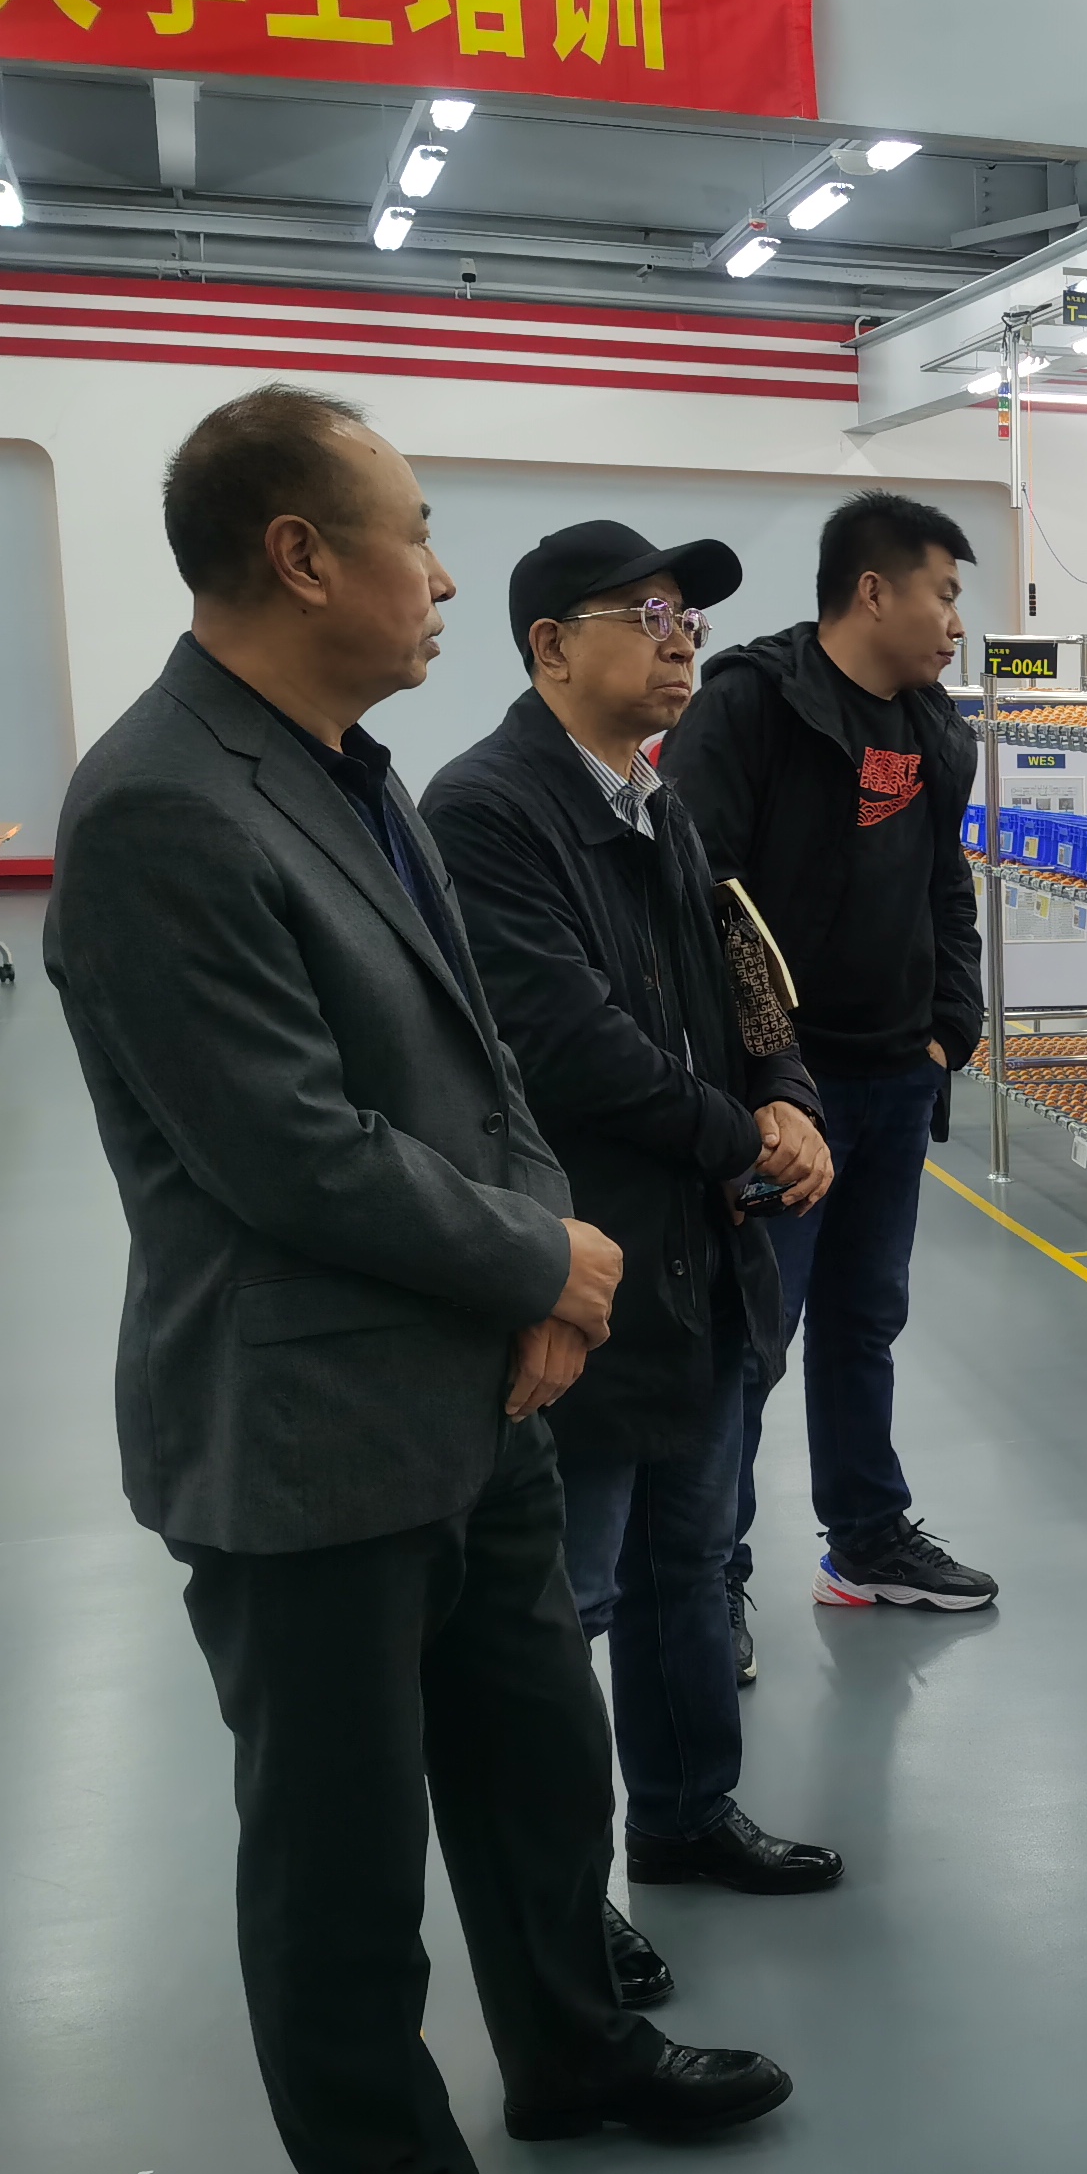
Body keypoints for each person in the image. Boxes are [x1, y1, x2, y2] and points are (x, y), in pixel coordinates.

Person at [48, 388, 791, 2174]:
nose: (444, 577)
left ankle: (574, 2050)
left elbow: (482, 1063)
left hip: (476, 1387)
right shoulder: (160, 806)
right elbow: (288, 1149)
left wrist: (542, 1268)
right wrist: (549, 1254)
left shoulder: (353, 774)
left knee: (540, 1759)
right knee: (343, 1839)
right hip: (305, 1418)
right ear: (302, 557)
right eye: (417, 534)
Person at [420, 521, 847, 1925]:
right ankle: (563, 1901)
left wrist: (788, 1090)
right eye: (647, 615)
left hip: (697, 1260)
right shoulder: (486, 810)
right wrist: (746, 1139)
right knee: (573, 1603)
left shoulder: (656, 798)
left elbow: (743, 967)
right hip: (590, 1268)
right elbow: (565, 1040)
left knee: (686, 1566)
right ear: (550, 646)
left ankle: (685, 1818)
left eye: (689, 618)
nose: (682, 641)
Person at [668, 491, 999, 1626]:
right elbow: (704, 903)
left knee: (865, 1322)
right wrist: (767, 1079)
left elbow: (948, 887)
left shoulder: (934, 727)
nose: (955, 621)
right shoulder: (751, 706)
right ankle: (711, 1580)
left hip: (897, 1079)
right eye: (943, 593)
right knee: (753, 1339)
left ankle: (865, 1541)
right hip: (784, 1102)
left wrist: (952, 1024)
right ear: (872, 591)